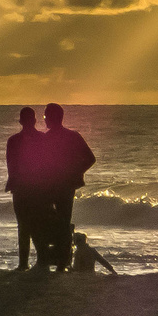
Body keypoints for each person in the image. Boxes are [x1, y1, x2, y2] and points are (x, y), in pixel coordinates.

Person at [42, 103, 96, 271]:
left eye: (46, 117)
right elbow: (90, 159)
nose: (44, 120)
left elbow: (90, 158)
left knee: (52, 222)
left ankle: (57, 260)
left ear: (52, 118)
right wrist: (76, 172)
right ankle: (62, 260)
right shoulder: (73, 136)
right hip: (65, 185)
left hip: (52, 186)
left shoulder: (47, 138)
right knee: (63, 222)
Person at [4, 107, 48, 270]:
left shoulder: (13, 140)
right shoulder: (43, 139)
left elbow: (11, 165)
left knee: (23, 225)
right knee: (38, 224)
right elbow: (46, 164)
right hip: (38, 187)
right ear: (35, 121)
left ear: (21, 121)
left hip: (21, 187)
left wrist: (13, 182)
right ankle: (41, 260)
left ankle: (23, 263)